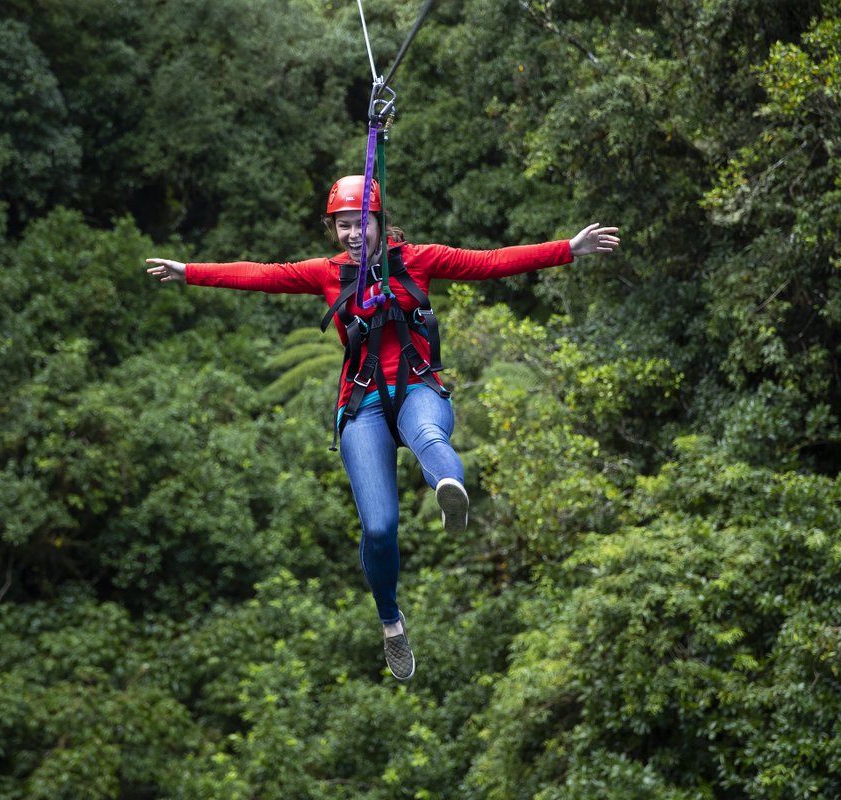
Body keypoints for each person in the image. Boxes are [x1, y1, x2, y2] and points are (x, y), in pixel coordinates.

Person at [147, 175, 620, 680]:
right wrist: (188, 271)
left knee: (430, 438)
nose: (353, 233)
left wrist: (568, 248)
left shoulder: (418, 259)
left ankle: (447, 488)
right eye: (343, 225)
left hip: (418, 386)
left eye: (361, 223)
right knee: (378, 527)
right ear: (334, 230)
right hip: (363, 404)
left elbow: (492, 262)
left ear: (380, 223)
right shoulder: (327, 273)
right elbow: (260, 275)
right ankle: (391, 623)